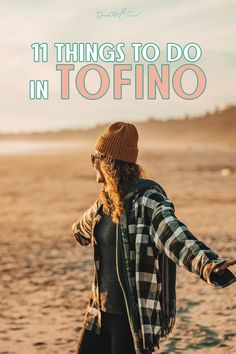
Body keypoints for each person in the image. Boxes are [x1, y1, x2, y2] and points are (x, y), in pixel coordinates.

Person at [72, 121, 236, 354]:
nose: (92, 164)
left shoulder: (147, 202)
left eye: (94, 158)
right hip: (98, 313)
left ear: (108, 163)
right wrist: (80, 231)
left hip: (130, 319)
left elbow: (177, 237)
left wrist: (208, 264)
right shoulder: (103, 203)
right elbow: (81, 230)